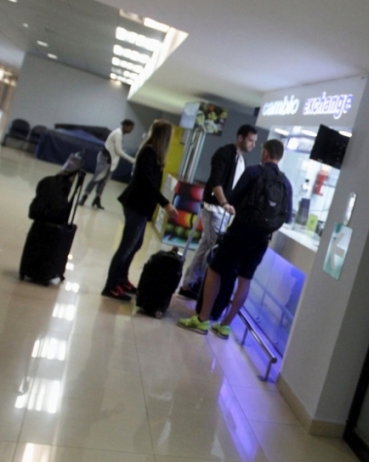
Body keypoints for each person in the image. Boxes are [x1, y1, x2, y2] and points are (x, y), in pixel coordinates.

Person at [178, 139, 292, 337]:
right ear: (279, 157)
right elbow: (287, 216)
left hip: (240, 232)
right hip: (262, 239)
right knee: (245, 280)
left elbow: (233, 199)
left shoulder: (254, 172)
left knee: (215, 270)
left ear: (265, 153)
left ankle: (203, 319)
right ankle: (225, 325)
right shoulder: (285, 183)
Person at [178, 124, 257, 298]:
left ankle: (190, 283)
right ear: (240, 138)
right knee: (216, 249)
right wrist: (224, 203)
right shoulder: (224, 153)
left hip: (223, 212)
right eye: (251, 140)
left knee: (206, 245)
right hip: (214, 209)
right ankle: (203, 287)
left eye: (254, 141)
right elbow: (216, 181)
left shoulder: (242, 161)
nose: (253, 144)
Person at [102, 120, 178, 300]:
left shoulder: (154, 154)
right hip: (136, 204)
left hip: (142, 206)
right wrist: (165, 203)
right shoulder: (149, 153)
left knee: (135, 245)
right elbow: (148, 183)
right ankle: (111, 285)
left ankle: (121, 279)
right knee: (126, 247)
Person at [79, 120, 136, 209]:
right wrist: (131, 159)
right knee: (96, 178)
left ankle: (97, 199)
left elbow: (116, 149)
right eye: (131, 128)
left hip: (110, 161)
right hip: (105, 159)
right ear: (126, 126)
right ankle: (84, 197)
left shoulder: (120, 134)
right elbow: (118, 150)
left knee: (103, 181)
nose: (131, 130)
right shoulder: (118, 134)